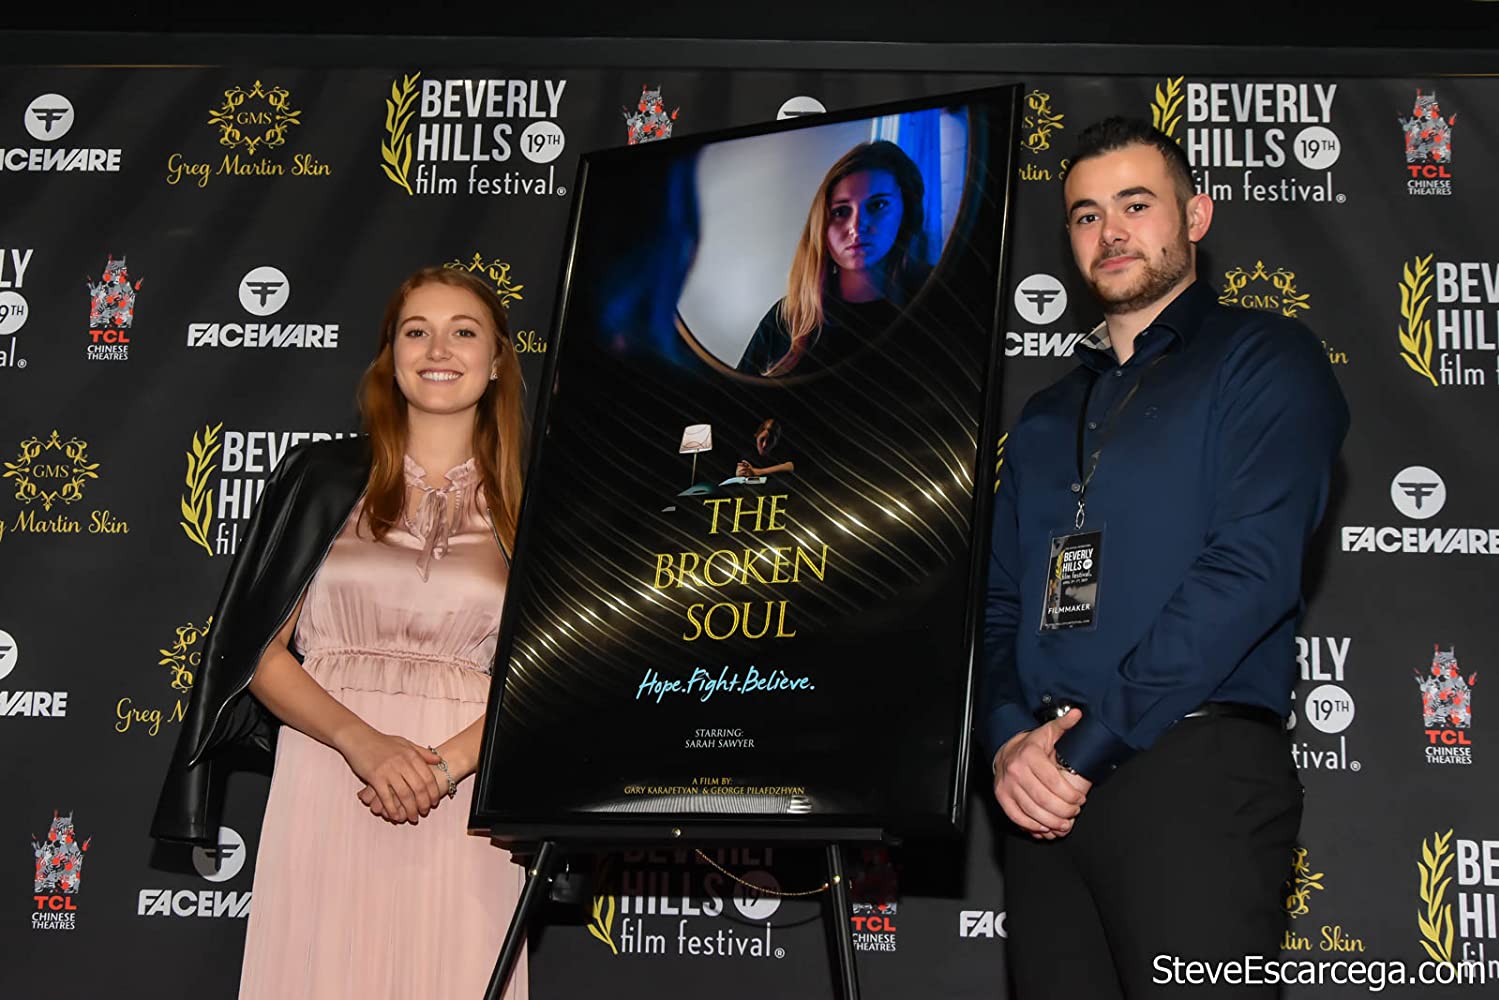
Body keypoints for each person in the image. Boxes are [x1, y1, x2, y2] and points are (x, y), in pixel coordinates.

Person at [981, 117, 1348, 999]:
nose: (1109, 231)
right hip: (1041, 804)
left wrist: (1083, 749)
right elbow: (996, 605)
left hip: (1190, 773)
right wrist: (1007, 745)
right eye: (1085, 215)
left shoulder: (1264, 358)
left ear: (1194, 216)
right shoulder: (1044, 415)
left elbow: (1248, 571)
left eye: (1135, 205)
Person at [151, 266, 529, 1000]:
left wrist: (443, 768)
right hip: (329, 767)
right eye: (416, 332)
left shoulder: (534, 497)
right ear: (391, 356)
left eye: (463, 332)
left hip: (469, 786)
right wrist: (363, 744)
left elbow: (550, 676)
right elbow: (256, 651)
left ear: (496, 361)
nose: (438, 349)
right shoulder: (318, 476)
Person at [737, 140, 930, 377]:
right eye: (840, 211)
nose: (856, 227)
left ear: (906, 211)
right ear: (821, 224)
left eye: (878, 205)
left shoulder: (933, 300)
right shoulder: (787, 320)